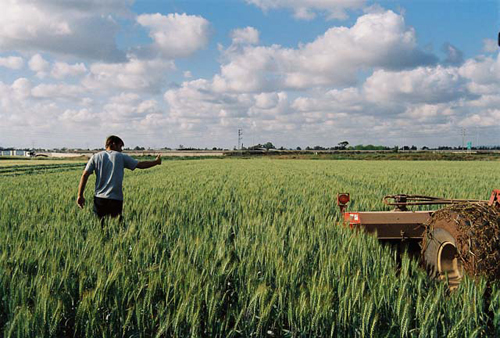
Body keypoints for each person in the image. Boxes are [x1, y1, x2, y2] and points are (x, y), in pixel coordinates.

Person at [77, 135, 161, 222]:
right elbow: (141, 165)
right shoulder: (121, 156)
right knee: (116, 228)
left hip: (99, 199)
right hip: (116, 199)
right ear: (113, 144)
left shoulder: (95, 156)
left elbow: (85, 175)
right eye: (120, 146)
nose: (121, 150)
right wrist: (156, 162)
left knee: (99, 227)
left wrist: (80, 195)